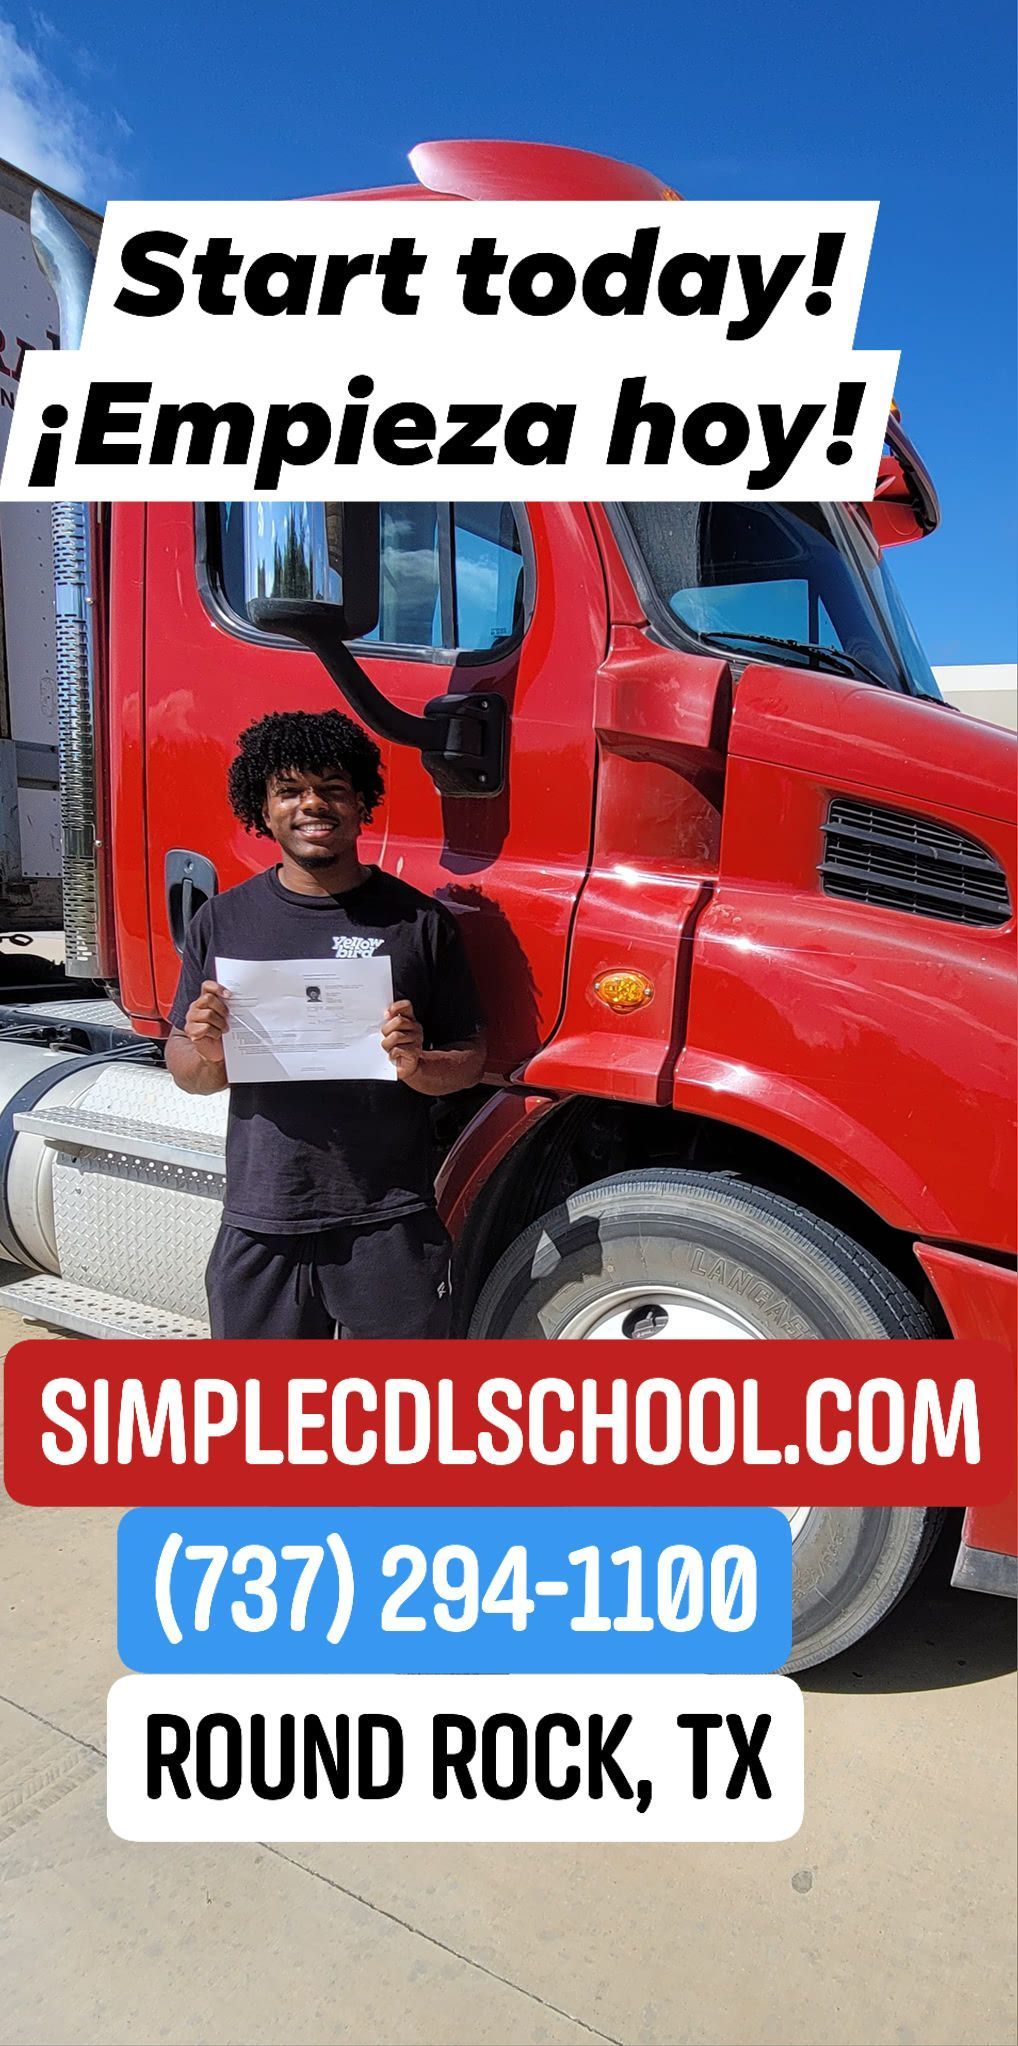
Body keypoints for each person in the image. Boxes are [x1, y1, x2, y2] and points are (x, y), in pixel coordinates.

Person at [166, 708, 486, 1339]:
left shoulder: (418, 922)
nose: (313, 805)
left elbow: (470, 1059)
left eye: (333, 789)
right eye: (289, 790)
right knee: (260, 1422)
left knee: (400, 1420)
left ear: (362, 801)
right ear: (263, 807)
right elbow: (191, 1074)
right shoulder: (225, 921)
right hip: (263, 1216)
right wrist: (207, 1049)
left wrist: (419, 1064)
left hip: (388, 1218)